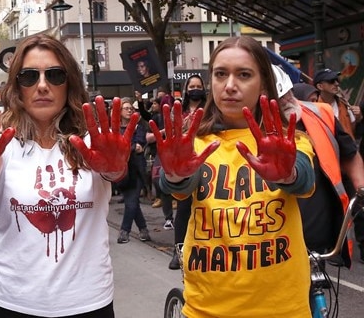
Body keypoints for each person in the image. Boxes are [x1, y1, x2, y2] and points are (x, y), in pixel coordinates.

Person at [0, 33, 137, 317]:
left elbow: (113, 172)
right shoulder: (0, 144)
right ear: (17, 87)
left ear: (69, 82)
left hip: (88, 302)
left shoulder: (94, 143)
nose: (42, 85)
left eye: (55, 75)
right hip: (12, 303)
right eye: (29, 76)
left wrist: (116, 167)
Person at [155, 36, 315, 318]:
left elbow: (304, 180)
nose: (230, 86)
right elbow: (177, 187)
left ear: (264, 84)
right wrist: (175, 175)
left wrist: (287, 174)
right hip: (207, 308)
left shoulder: (288, 141)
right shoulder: (195, 143)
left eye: (244, 75)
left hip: (282, 308)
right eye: (220, 74)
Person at [289, 79, 364, 267]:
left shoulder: (322, 114)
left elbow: (350, 153)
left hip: (317, 236)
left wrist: (360, 186)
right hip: (276, 241)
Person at [153, 74, 208, 269]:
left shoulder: (211, 109)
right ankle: (179, 251)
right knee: (184, 208)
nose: (195, 89)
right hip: (183, 163)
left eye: (198, 86)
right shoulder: (179, 111)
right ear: (186, 89)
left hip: (207, 160)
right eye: (191, 86)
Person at [116, 97, 151, 244]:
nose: (130, 110)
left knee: (131, 202)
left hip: (136, 171)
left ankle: (125, 231)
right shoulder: (115, 129)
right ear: (119, 111)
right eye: (126, 108)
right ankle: (143, 230)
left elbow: (138, 146)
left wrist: (129, 148)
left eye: (131, 108)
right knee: (133, 203)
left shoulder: (139, 127)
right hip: (121, 172)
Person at [314, 68, 360, 139]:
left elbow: (352, 128)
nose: (336, 84)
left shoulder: (344, 103)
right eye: (331, 81)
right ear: (320, 86)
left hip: (349, 148)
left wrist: (358, 117)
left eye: (337, 80)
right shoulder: (314, 109)